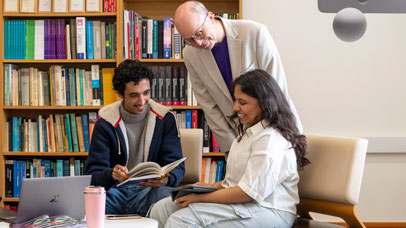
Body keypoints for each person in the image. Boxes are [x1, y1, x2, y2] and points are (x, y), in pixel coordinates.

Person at [148, 69, 310, 228]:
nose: (235, 107)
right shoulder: (249, 134)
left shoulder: (270, 140)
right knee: (161, 209)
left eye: (243, 102)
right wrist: (205, 188)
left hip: (269, 211)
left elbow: (248, 193)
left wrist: (199, 198)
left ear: (264, 103)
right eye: (236, 100)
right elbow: (235, 183)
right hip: (245, 205)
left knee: (183, 221)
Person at [174, 1, 303, 153]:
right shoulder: (190, 54)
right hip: (237, 140)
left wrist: (266, 144)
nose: (198, 42)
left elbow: (277, 91)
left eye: (199, 33)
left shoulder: (255, 33)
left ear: (210, 16)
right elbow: (209, 108)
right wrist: (234, 150)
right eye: (190, 40)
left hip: (276, 132)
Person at [85, 60, 185, 216]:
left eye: (146, 93)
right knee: (80, 206)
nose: (142, 101)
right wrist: (111, 174)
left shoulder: (165, 119)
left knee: (172, 203)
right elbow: (93, 175)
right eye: (134, 95)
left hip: (151, 192)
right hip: (114, 192)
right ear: (119, 94)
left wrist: (166, 180)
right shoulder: (105, 123)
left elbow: (177, 166)